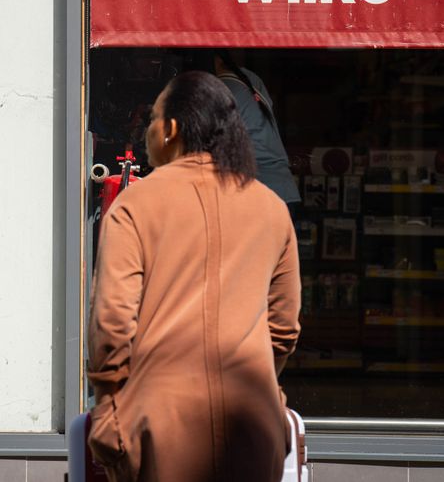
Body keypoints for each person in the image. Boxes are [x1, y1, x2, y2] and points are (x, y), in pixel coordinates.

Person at [87, 71, 301, 482]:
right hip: (253, 428)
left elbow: (112, 324)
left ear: (170, 129)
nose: (148, 130)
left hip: (159, 425)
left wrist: (110, 413)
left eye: (153, 119)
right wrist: (260, 386)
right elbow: (284, 329)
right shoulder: (271, 209)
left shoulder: (135, 206)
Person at [214, 50, 301, 214]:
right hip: (285, 190)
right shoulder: (249, 78)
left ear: (216, 60)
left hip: (261, 195)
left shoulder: (221, 89)